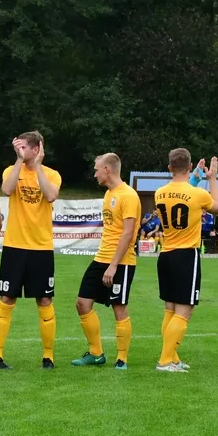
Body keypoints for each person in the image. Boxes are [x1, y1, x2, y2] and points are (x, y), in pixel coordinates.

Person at [0, 131, 62, 370]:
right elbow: (7, 189)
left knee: (44, 299)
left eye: (24, 147)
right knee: (6, 298)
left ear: (37, 149)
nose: (20, 150)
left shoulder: (52, 174)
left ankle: (48, 356)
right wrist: (19, 160)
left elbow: (50, 195)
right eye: (18, 147)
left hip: (41, 247)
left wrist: (38, 165)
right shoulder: (12, 170)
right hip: (14, 246)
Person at [154, 150, 218, 372]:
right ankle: (165, 360)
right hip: (185, 256)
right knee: (184, 311)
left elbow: (181, 194)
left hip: (165, 254)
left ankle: (172, 358)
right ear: (191, 165)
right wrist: (212, 178)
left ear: (169, 167)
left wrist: (194, 178)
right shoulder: (197, 194)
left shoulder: (159, 193)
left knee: (170, 310)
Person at [71, 153, 140, 369]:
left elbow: (128, 234)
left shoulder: (128, 195)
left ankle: (122, 359)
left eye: (97, 169)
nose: (95, 174)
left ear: (107, 170)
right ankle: (96, 354)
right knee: (82, 303)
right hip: (101, 257)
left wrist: (113, 265)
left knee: (119, 308)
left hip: (121, 262)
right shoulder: (109, 194)